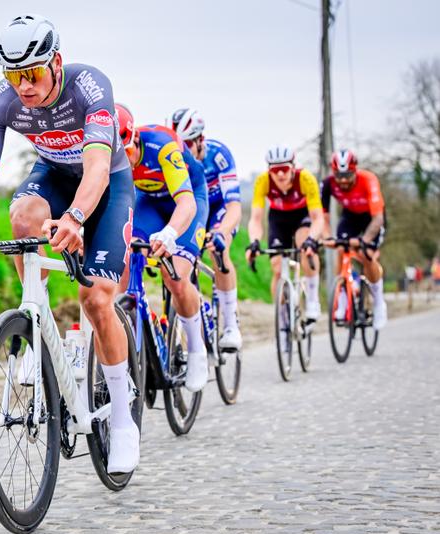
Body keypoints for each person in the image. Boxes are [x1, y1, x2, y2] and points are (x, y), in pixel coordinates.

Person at [0, 15, 139, 474]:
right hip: (54, 178)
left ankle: (123, 419)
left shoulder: (89, 86)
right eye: (13, 75)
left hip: (105, 185)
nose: (23, 86)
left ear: (56, 62)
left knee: (96, 298)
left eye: (33, 74)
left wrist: (76, 218)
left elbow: (98, 170)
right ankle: (36, 320)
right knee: (22, 215)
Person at [115, 104, 209, 392]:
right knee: (124, 257)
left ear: (135, 140)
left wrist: (170, 233)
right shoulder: (113, 157)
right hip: (150, 203)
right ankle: (124, 333)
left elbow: (187, 204)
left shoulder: (163, 147)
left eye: (128, 153)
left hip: (187, 201)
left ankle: (196, 349)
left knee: (176, 276)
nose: (126, 162)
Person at [170, 108, 243, 350]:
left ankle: (231, 323)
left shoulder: (219, 155)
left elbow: (234, 206)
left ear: (201, 140)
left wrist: (222, 232)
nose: (184, 149)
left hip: (219, 210)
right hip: (194, 210)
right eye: (179, 143)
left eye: (188, 143)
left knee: (217, 251)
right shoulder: (174, 158)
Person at [245, 145, 324, 321]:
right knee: (277, 268)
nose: (280, 174)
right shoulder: (262, 181)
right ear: (269, 171)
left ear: (293, 167)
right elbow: (256, 219)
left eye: (284, 169)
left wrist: (312, 239)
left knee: (304, 244)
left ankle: (312, 300)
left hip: (302, 216)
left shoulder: (306, 179)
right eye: (275, 170)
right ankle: (281, 316)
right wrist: (254, 241)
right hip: (278, 218)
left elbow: (318, 218)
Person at [321, 149, 388, 329]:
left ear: (355, 171)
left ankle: (379, 302)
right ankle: (342, 298)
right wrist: (328, 238)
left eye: (348, 175)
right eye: (339, 176)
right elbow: (322, 217)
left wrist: (365, 240)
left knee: (367, 256)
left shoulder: (368, 179)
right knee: (341, 248)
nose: (343, 180)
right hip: (350, 216)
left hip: (372, 219)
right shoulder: (328, 184)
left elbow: (378, 218)